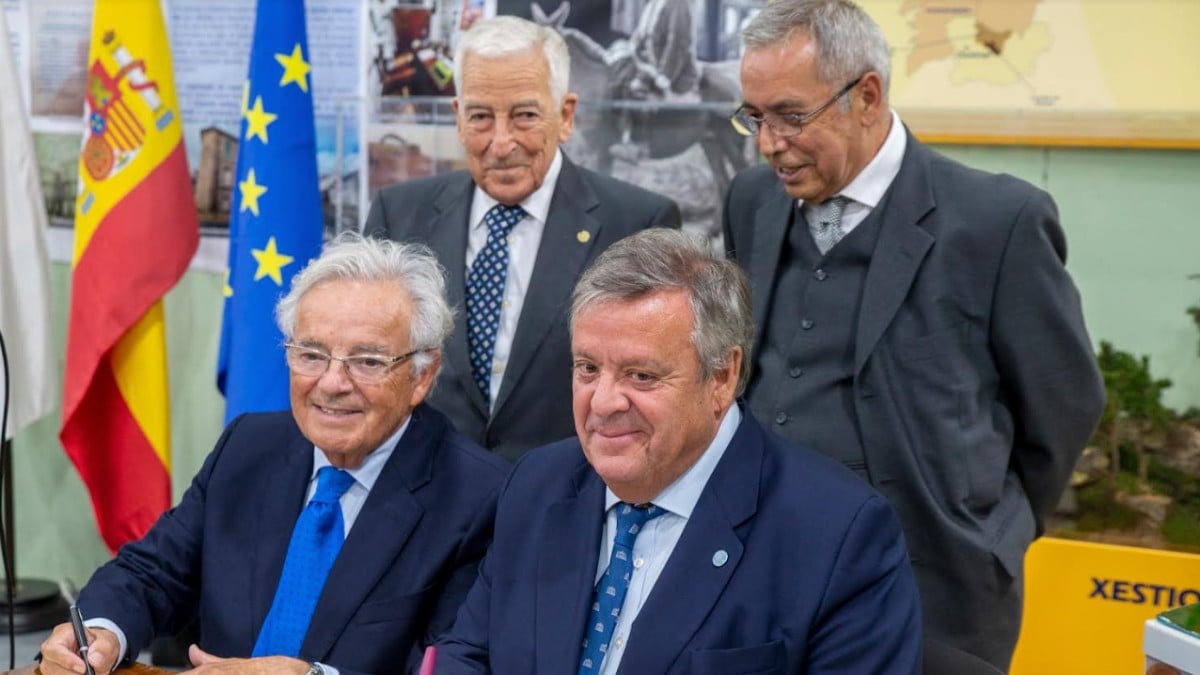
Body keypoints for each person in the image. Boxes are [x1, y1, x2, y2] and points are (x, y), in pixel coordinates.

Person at [721, 1, 1105, 670]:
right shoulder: (751, 200)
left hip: (934, 596)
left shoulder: (998, 222)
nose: (768, 142)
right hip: (760, 576)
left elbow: (1064, 405)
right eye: (754, 117)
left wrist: (995, 535)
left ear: (867, 95)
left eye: (790, 115)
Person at [435, 228, 922, 674]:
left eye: (641, 376)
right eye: (587, 368)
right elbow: (469, 655)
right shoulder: (537, 485)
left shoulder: (838, 533)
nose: (602, 402)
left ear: (722, 377)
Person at [40, 236, 510, 675]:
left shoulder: (479, 498)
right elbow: (153, 572)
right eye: (311, 354)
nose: (331, 383)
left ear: (422, 376)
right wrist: (103, 632)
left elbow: (453, 664)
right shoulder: (248, 446)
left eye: (367, 361)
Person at [364, 15, 681, 462]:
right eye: (480, 117)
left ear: (565, 115)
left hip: (565, 501)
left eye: (524, 115)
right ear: (457, 117)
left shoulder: (636, 224)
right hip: (427, 499)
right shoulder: (398, 216)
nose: (501, 142)